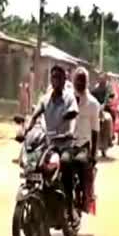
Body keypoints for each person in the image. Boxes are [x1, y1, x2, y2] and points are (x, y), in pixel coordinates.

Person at [27, 65, 80, 207]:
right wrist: (27, 128)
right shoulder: (45, 99)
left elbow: (73, 116)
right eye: (53, 76)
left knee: (66, 162)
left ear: (64, 80)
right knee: (32, 163)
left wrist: (70, 132)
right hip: (48, 144)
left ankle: (69, 203)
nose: (55, 79)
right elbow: (35, 115)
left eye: (58, 77)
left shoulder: (69, 99)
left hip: (64, 144)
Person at [72, 67, 100, 213]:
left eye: (83, 80)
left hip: (83, 145)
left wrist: (93, 154)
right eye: (78, 79)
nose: (80, 83)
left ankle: (85, 198)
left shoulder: (93, 104)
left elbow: (95, 130)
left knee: (83, 164)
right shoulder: (66, 98)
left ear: (87, 82)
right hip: (65, 143)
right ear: (73, 80)